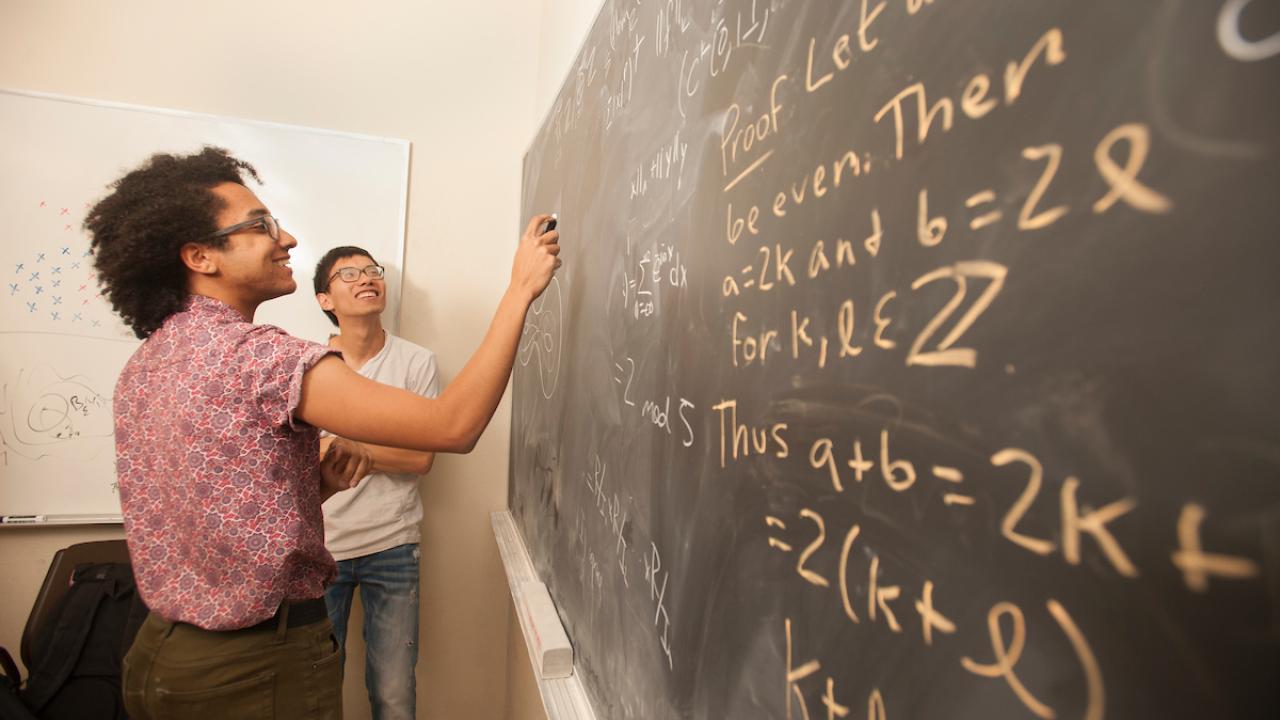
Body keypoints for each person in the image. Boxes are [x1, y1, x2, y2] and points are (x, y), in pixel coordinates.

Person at [85, 146, 559, 719]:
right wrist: (519, 290)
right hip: (251, 668)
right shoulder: (256, 358)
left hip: (160, 655)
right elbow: (452, 427)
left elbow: (215, 514)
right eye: (261, 226)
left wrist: (320, 488)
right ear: (200, 257)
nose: (285, 239)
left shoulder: (149, 362)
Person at [312, 245, 436, 719]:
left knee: (394, 694)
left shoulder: (416, 362)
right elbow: (300, 457)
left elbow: (421, 457)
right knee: (319, 690)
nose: (366, 278)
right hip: (322, 548)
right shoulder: (308, 364)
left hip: (394, 544)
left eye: (372, 271)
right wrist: (385, 450)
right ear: (326, 299)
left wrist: (343, 446)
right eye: (349, 274)